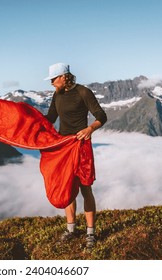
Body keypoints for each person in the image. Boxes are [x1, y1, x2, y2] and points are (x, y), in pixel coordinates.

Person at [44, 63, 107, 250]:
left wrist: (90, 129)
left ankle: (90, 233)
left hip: (81, 145)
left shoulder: (83, 92)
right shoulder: (57, 94)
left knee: (85, 188)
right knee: (67, 188)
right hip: (64, 146)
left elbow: (101, 116)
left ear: (64, 77)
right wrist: (28, 120)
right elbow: (50, 119)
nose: (52, 83)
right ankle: (71, 230)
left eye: (54, 79)